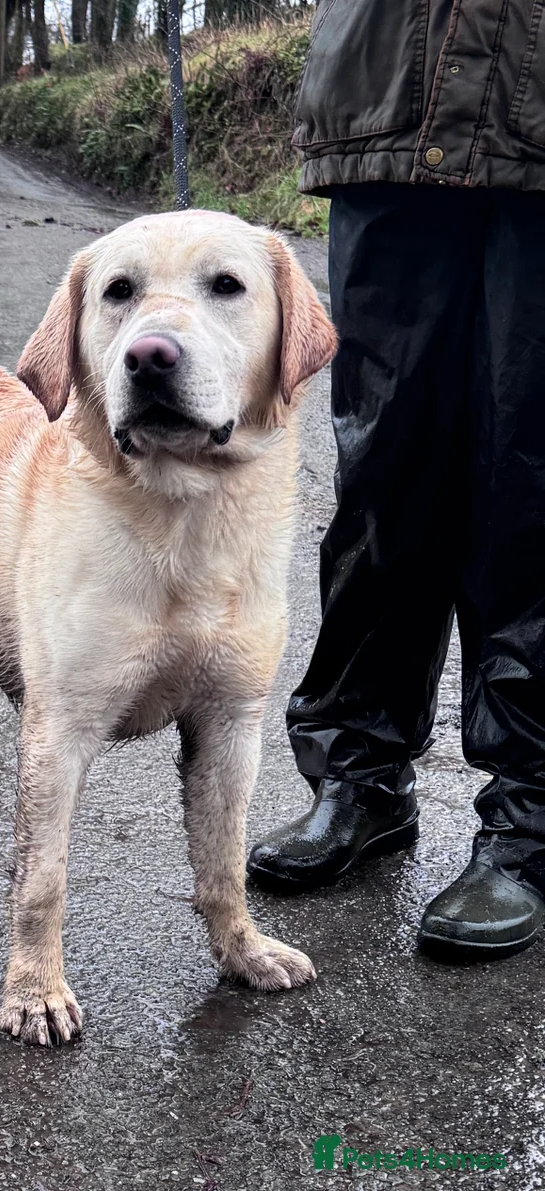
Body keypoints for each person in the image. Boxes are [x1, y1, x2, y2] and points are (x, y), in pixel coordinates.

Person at [246, 0, 545, 962]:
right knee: (384, 475)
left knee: (529, 485)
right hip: (389, 97)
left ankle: (531, 823)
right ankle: (359, 779)